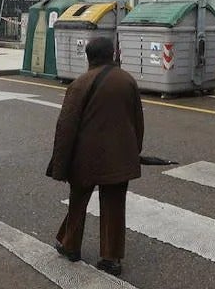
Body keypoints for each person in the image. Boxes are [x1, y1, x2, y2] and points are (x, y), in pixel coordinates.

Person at [48, 36, 144, 276]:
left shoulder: (79, 84)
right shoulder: (127, 81)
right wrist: (134, 151)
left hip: (85, 157)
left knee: (79, 200)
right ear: (112, 54)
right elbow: (137, 121)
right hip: (119, 155)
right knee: (114, 205)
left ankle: (70, 245)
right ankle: (111, 258)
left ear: (88, 57)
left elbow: (66, 127)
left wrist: (60, 164)